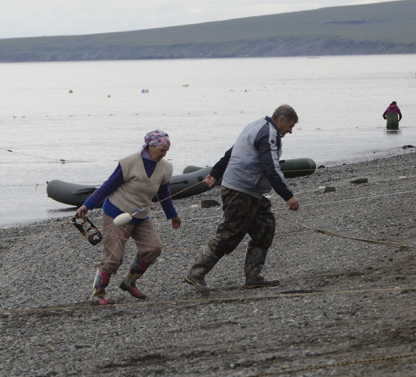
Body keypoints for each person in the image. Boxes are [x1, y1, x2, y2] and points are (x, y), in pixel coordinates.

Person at [184, 105, 300, 292]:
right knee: (229, 235)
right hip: (240, 191)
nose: (290, 131)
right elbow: (271, 167)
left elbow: (232, 151)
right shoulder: (267, 133)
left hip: (252, 192)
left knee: (265, 228)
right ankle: (196, 273)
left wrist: (215, 173)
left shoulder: (255, 126)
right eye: (290, 126)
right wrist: (289, 196)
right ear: (280, 120)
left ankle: (253, 276)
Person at [75, 130, 183, 306]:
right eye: (162, 150)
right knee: (113, 257)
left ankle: (129, 281)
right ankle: (98, 294)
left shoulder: (165, 168)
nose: (164, 154)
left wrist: (172, 214)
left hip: (140, 215)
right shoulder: (129, 163)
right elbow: (108, 185)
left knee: (153, 248)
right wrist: (87, 205)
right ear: (150, 146)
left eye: (166, 151)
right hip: (116, 213)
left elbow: (164, 193)